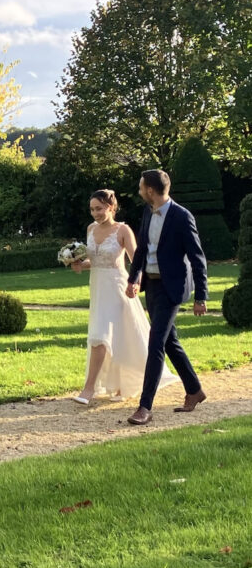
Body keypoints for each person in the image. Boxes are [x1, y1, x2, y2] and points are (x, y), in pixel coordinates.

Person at [71, 189, 176, 405]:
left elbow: (136, 261)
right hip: (98, 287)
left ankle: (88, 389)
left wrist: (135, 284)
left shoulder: (123, 230)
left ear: (111, 207)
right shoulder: (90, 229)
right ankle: (118, 384)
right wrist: (80, 264)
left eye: (98, 209)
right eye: (92, 209)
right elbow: (96, 260)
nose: (95, 213)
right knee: (116, 336)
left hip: (118, 288)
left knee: (100, 335)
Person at [126, 169, 208, 425]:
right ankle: (194, 390)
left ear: (150, 190)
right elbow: (141, 248)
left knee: (155, 343)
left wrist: (201, 296)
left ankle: (145, 407)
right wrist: (133, 278)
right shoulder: (147, 212)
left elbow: (197, 257)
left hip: (173, 288)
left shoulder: (182, 217)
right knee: (169, 341)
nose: (140, 191)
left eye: (141, 187)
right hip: (152, 286)